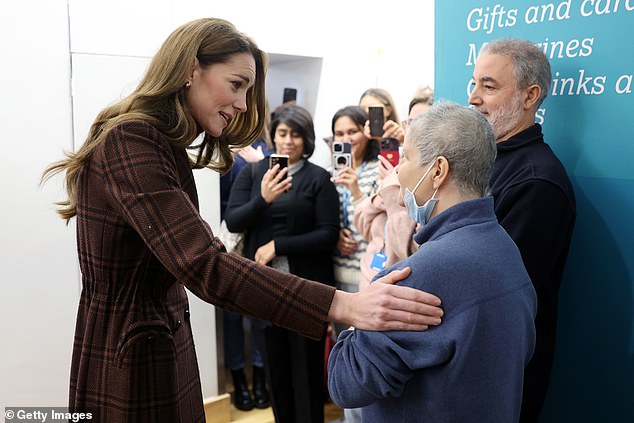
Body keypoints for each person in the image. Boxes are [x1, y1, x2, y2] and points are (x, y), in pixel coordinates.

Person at [40, 18, 444, 422]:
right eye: (236, 85)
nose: (242, 104)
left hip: (155, 344)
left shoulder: (157, 144)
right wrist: (344, 305)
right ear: (190, 70)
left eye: (248, 91)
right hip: (130, 360)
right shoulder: (132, 142)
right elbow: (206, 266)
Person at [328, 101, 537, 422]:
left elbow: (346, 385)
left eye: (408, 157)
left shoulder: (419, 272)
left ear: (437, 170)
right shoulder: (505, 247)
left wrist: (360, 313)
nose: (398, 170)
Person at [469, 38, 576, 422]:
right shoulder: (484, 161)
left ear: (531, 96)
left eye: (488, 86)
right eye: (474, 83)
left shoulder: (537, 182)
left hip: (498, 377)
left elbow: (493, 292)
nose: (473, 98)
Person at [225, 105, 338, 423]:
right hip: (265, 292)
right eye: (282, 133)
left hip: (307, 290)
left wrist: (279, 245)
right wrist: (263, 198)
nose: (288, 141)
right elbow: (233, 221)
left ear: (307, 139)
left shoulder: (319, 178)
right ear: (273, 136)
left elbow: (327, 234)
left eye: (296, 134)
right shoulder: (252, 172)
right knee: (276, 374)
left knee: (307, 375)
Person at [219, 105, 273, 411]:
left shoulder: (268, 149)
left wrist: (260, 162)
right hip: (230, 239)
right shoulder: (220, 148)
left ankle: (260, 376)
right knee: (232, 315)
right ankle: (238, 377)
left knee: (262, 310)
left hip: (263, 241)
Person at [355, 91, 435, 287]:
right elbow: (362, 223)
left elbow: (410, 246)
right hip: (369, 282)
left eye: (422, 123)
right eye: (409, 123)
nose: (412, 130)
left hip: (399, 289)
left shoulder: (435, 180)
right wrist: (379, 199)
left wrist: (391, 191)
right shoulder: (396, 167)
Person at [330, 106, 380, 296]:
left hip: (369, 275)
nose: (346, 139)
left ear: (366, 133)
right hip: (334, 275)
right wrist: (334, 237)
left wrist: (356, 192)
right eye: (339, 133)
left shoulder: (380, 170)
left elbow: (382, 226)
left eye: (352, 132)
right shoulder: (329, 175)